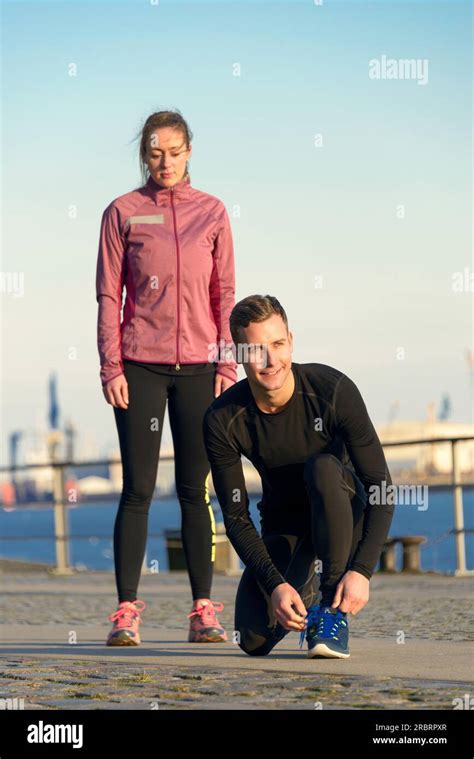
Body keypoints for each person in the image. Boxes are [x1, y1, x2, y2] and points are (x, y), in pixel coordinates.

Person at [95, 109, 237, 646]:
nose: (165, 162)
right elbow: (111, 294)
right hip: (141, 366)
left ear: (190, 152)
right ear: (143, 155)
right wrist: (112, 365)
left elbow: (224, 295)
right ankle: (126, 612)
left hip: (202, 368)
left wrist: (227, 362)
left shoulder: (214, 213)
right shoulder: (123, 213)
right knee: (137, 488)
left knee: (193, 490)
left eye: (175, 152)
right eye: (155, 153)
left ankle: (203, 611)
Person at [202, 294, 395, 659]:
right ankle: (301, 588)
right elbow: (236, 517)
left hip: (342, 512)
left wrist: (362, 572)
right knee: (252, 639)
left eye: (277, 344)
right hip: (287, 526)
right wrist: (274, 584)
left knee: (321, 468)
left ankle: (330, 611)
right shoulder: (222, 419)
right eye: (257, 350)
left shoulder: (332, 390)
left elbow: (381, 489)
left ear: (291, 341)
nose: (270, 360)